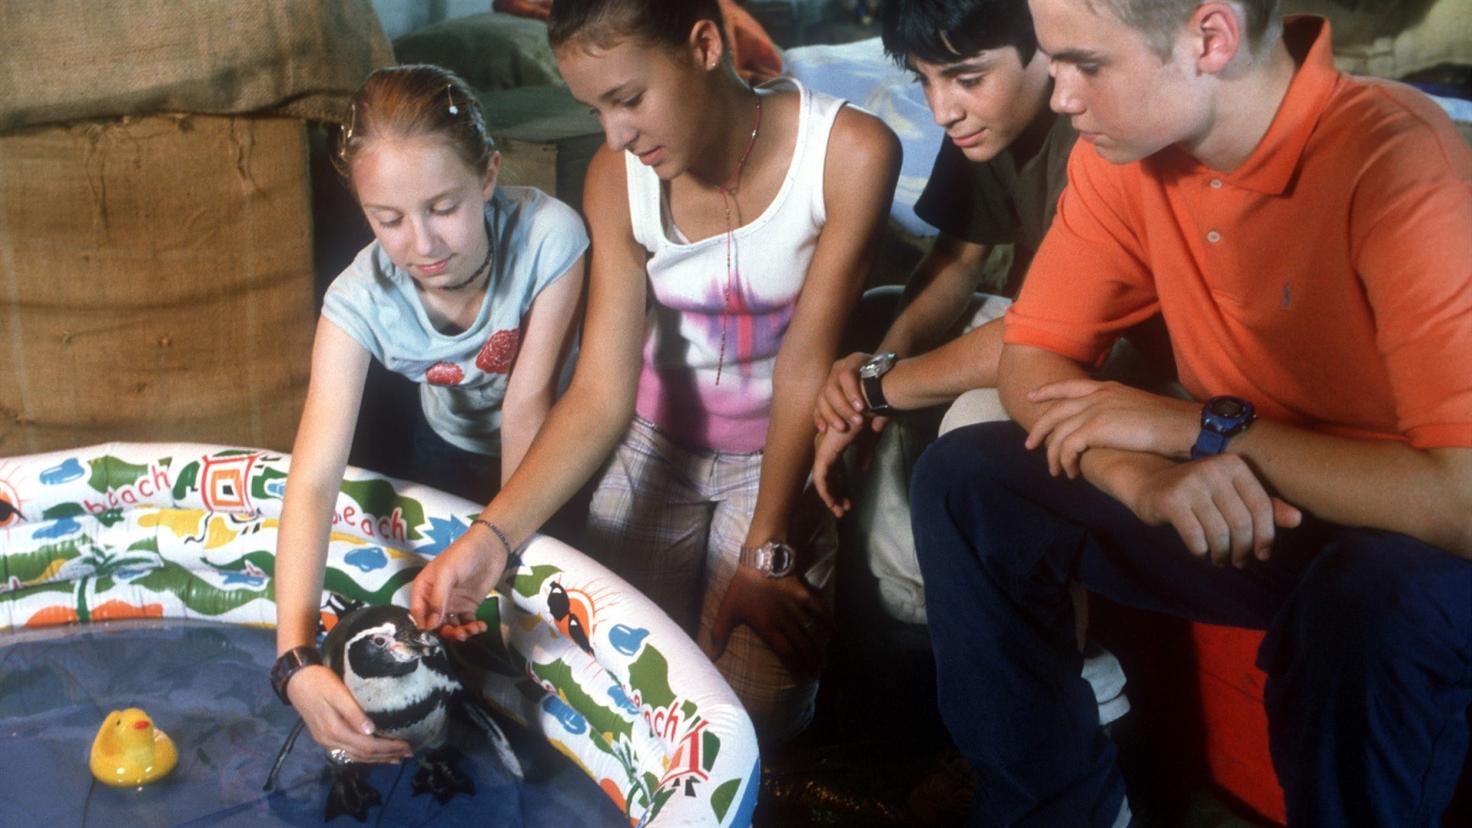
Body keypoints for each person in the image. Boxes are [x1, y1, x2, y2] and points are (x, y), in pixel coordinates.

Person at [911, 0, 1472, 823]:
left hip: (1415, 530)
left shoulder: (1395, 157)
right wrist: (1133, 474)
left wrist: (1196, 431)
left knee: (1368, 600)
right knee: (967, 480)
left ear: (1210, 38)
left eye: (1086, 65)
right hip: (1262, 496)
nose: (1061, 96)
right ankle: (1055, 811)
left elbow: (1460, 502)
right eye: (1053, 61)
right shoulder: (1125, 152)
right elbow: (1032, 358)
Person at [411, 0, 900, 746]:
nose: (615, 134)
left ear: (704, 45)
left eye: (629, 99)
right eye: (596, 110)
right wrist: (489, 538)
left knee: (750, 726)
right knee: (623, 694)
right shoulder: (616, 178)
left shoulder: (850, 152)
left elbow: (807, 361)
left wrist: (766, 550)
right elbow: (599, 393)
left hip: (778, 454)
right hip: (654, 446)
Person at [270, 64, 588, 764]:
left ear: (489, 174)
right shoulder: (356, 302)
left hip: (555, 450)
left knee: (531, 618)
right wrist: (295, 659)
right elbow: (315, 478)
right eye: (388, 220)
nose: (422, 244)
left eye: (443, 207)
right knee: (442, 621)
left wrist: (498, 574)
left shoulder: (550, 236)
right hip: (444, 441)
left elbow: (528, 406)